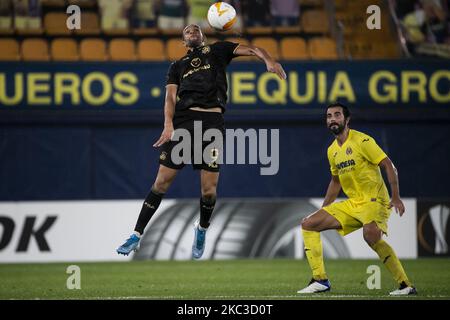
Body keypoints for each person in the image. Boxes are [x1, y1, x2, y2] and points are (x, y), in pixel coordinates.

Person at [117, 24, 286, 259]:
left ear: (203, 35)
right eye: (187, 31)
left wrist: (269, 60)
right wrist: (168, 124)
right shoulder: (177, 66)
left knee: (208, 191)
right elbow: (169, 97)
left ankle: (202, 228)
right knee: (161, 183)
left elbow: (254, 49)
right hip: (184, 121)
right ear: (183, 41)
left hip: (212, 123)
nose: (192, 32)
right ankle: (136, 235)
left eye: (195, 30)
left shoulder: (218, 51)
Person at [298, 102, 417, 296]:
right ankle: (320, 280)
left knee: (370, 236)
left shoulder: (362, 141)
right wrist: (324, 209)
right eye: (329, 116)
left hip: (375, 200)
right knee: (308, 224)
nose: (332, 119)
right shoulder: (332, 150)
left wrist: (396, 197)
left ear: (347, 119)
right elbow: (335, 182)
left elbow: (388, 165)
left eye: (337, 115)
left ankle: (406, 285)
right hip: (354, 203)